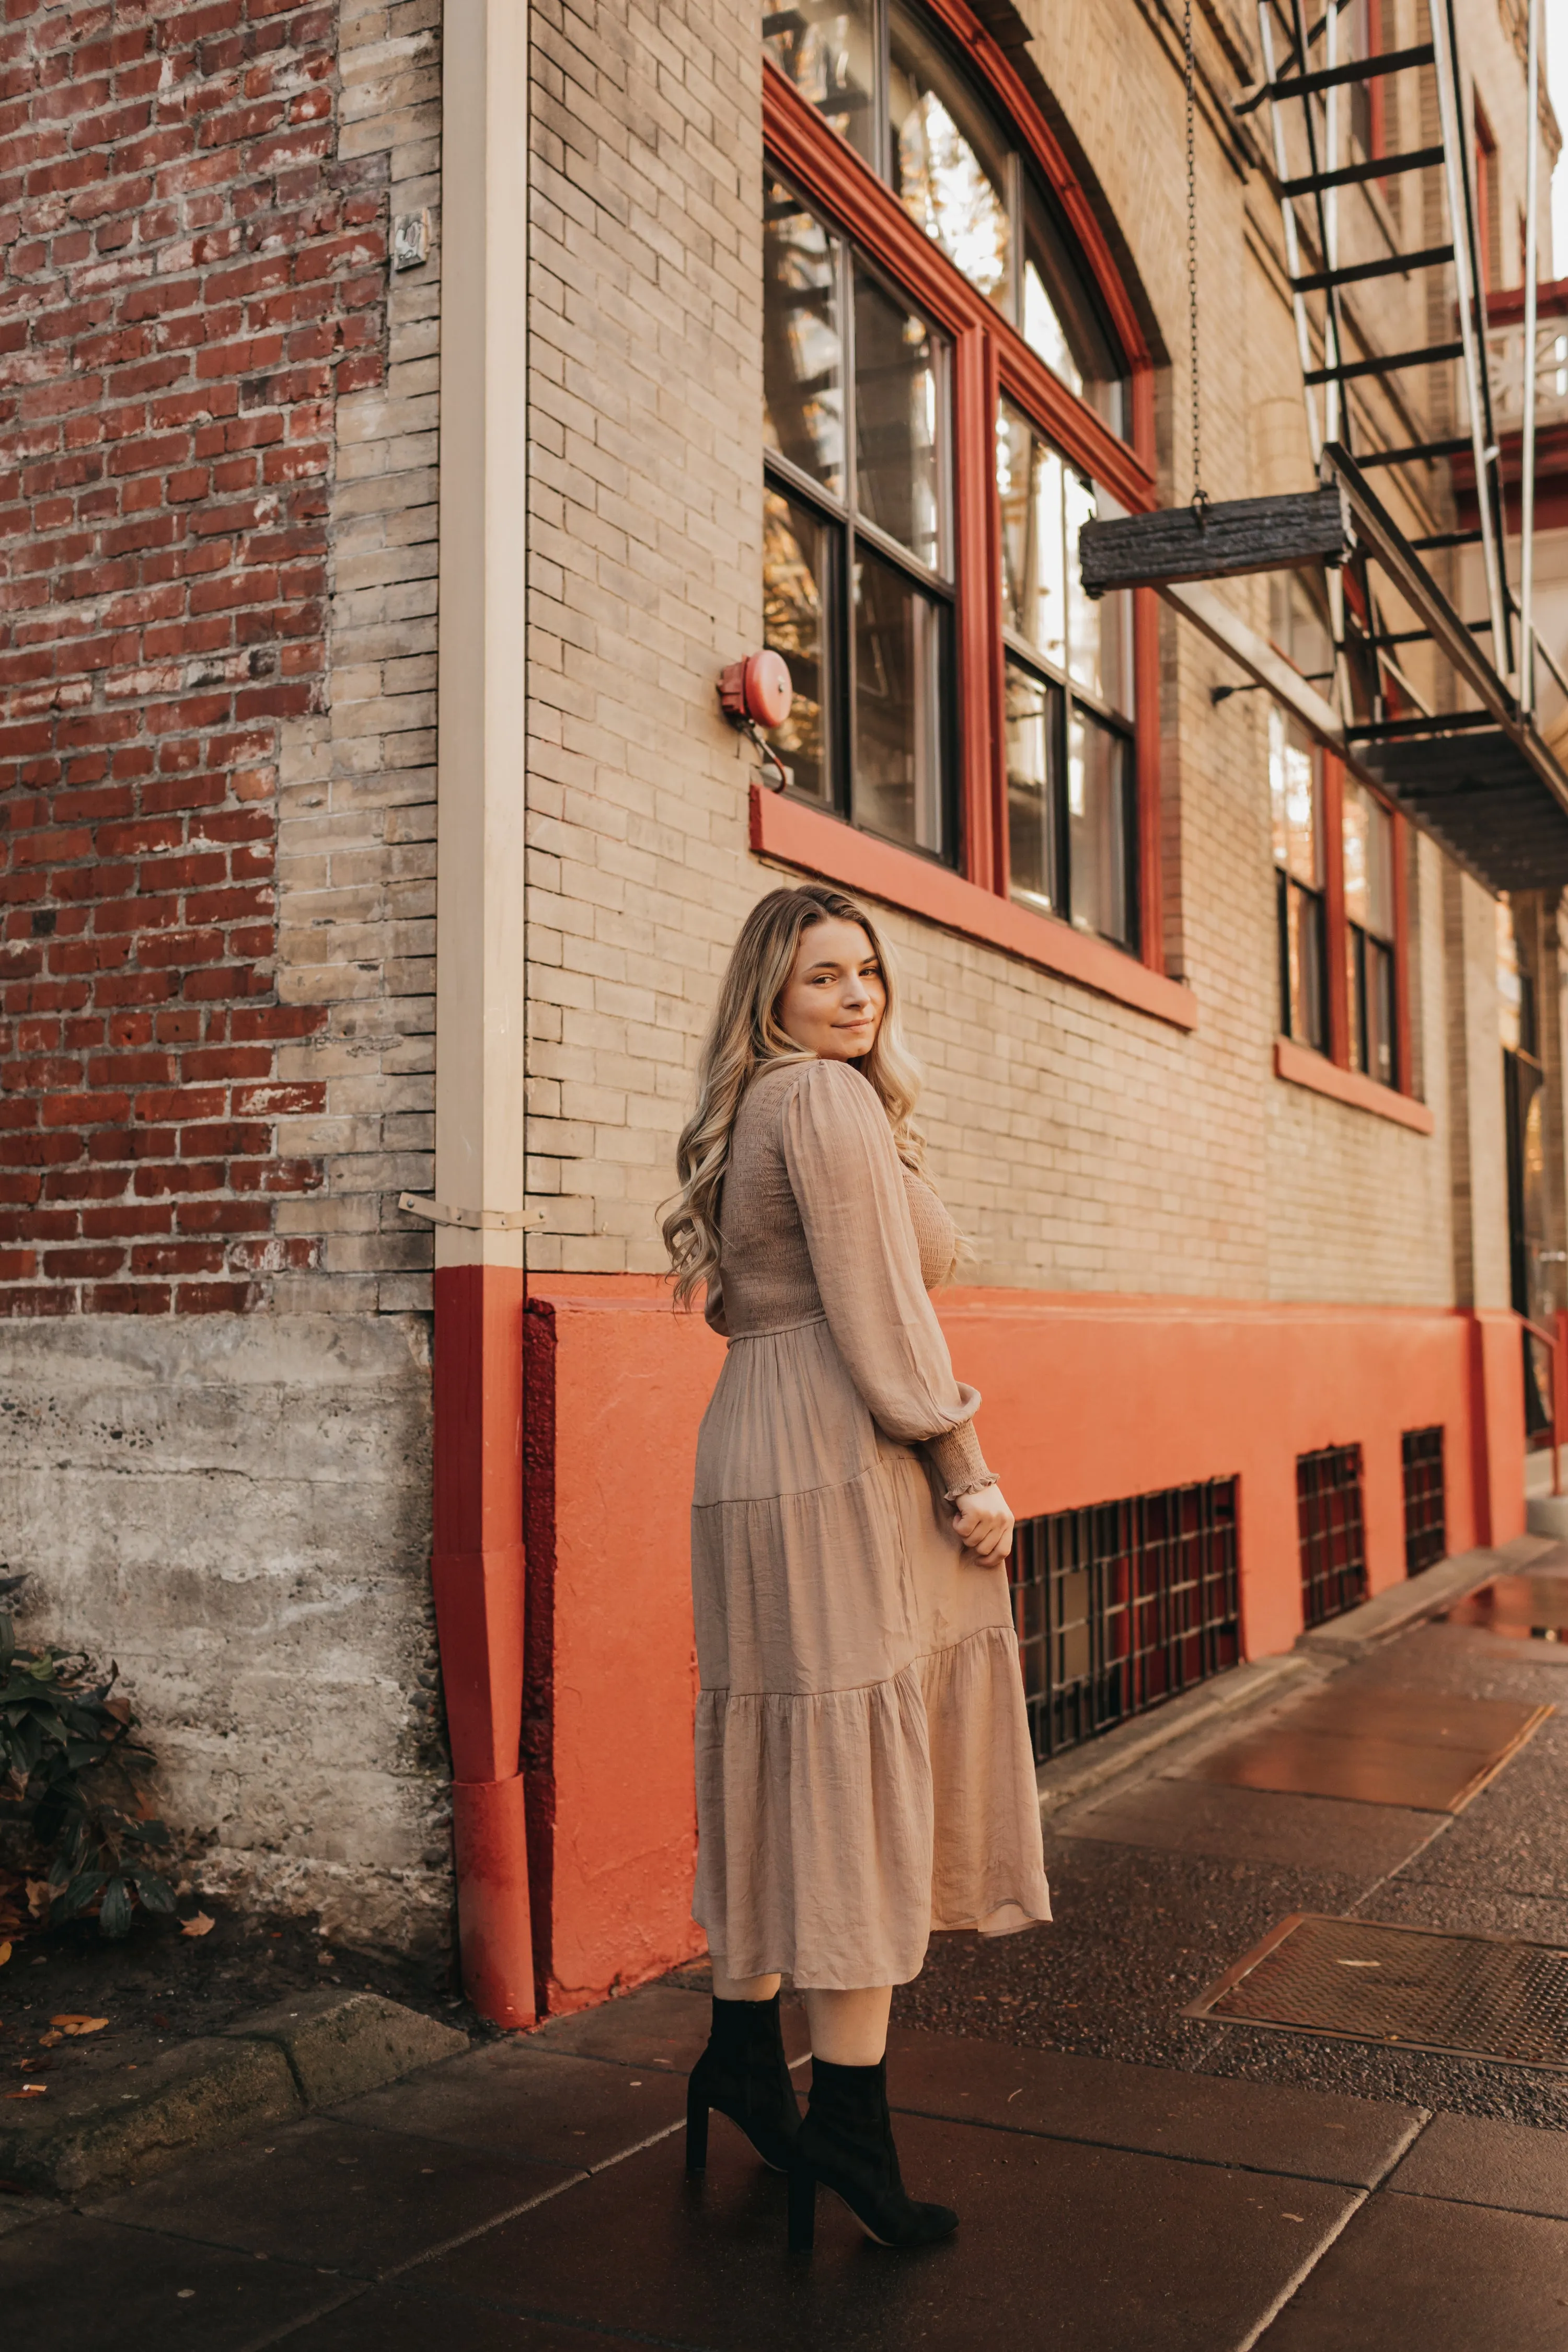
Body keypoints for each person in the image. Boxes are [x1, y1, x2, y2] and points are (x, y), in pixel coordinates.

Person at [661, 881, 1050, 2252]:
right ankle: (852, 2123)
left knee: (788, 1754)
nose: (857, 995)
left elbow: (746, 1295)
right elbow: (887, 1311)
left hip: (753, 1441)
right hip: (837, 1440)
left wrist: (885, 1106)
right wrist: (965, 1461)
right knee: (850, 1781)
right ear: (771, 988)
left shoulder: (777, 1105)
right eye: (826, 974)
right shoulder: (819, 1101)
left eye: (870, 972)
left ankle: (742, 2051)